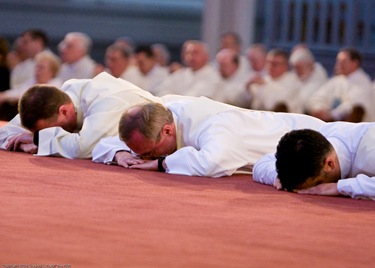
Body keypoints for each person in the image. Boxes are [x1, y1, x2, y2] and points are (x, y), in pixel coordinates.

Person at [92, 97, 325, 177]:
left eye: (149, 152)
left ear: (167, 131)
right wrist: (120, 153)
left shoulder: (207, 122)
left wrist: (161, 163)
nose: (144, 158)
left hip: (313, 139)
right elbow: (104, 142)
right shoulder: (159, 114)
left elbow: (214, 162)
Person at [0, 72, 161, 159]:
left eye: (47, 130)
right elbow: (4, 133)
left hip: (163, 135)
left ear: (64, 111)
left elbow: (82, 148)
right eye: (38, 132)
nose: (45, 133)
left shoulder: (106, 101)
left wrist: (37, 140)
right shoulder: (53, 101)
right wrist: (21, 143)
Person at [253, 122, 375, 200]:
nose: (309, 192)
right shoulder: (313, 140)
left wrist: (338, 188)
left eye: (317, 184)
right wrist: (277, 177)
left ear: (329, 164)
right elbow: (262, 163)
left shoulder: (370, 149)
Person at [306, 47, 374, 122]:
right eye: (338, 61)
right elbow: (318, 96)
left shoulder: (363, 82)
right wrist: (319, 108)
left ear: (355, 63)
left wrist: (331, 114)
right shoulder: (338, 79)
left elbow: (355, 105)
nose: (338, 65)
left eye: (343, 62)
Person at [0, 51, 62, 121]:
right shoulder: (33, 81)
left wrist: (5, 97)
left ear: (52, 71)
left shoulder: (56, 85)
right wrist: (3, 95)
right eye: (37, 67)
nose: (37, 70)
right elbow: (18, 91)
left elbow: (31, 97)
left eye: (41, 67)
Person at [155, 40, 220, 98]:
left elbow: (197, 97)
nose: (190, 56)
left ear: (206, 56)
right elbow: (162, 91)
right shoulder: (179, 74)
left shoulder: (214, 75)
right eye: (187, 53)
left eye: (195, 53)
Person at [249, 48, 303, 113]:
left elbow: (273, 106)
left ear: (285, 65)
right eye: (269, 62)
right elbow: (254, 105)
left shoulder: (293, 82)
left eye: (275, 64)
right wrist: (247, 87)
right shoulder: (265, 79)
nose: (270, 66)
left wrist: (263, 86)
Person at [289, 47, 328, 113]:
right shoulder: (294, 75)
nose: (297, 71)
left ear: (309, 64)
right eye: (294, 68)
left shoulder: (319, 76)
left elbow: (306, 99)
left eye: (299, 67)